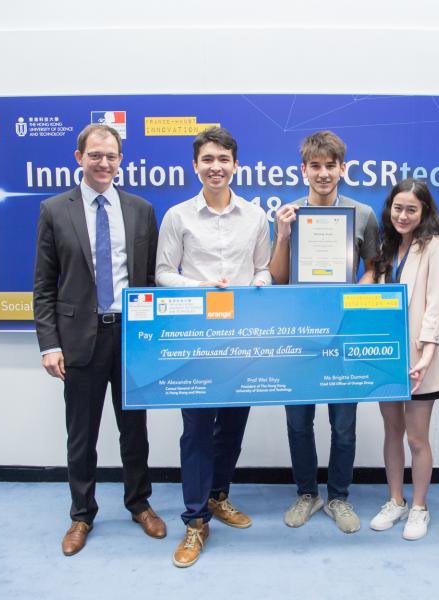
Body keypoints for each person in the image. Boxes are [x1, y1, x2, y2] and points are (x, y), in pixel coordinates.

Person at [33, 123, 165, 557]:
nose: (103, 163)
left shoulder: (141, 209)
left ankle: (139, 503)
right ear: (79, 158)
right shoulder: (55, 210)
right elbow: (44, 286)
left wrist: (153, 339)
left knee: (134, 430)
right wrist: (50, 344)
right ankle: (81, 514)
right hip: (79, 340)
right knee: (81, 433)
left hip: (130, 337)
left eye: (111, 156)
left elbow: (149, 280)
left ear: (120, 160)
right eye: (95, 155)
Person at [156, 126, 271, 567]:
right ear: (195, 165)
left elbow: (263, 269)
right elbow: (164, 273)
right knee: (198, 429)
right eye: (208, 160)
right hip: (196, 338)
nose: (216, 167)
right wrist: (201, 287)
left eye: (223, 159)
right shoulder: (178, 217)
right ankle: (195, 519)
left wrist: (253, 285)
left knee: (233, 426)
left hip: (241, 337)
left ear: (235, 165)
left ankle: (219, 496)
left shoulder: (255, 217)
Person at [270, 131, 379, 533]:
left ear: (342, 169)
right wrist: (282, 236)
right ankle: (305, 493)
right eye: (315, 166)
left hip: (342, 333)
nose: (323, 173)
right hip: (297, 332)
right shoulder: (287, 214)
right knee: (298, 421)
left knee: (343, 423)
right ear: (304, 170)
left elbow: (374, 267)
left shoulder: (363, 214)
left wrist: (357, 292)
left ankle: (339, 497)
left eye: (330, 166)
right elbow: (278, 278)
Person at [362, 178, 439, 541]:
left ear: (424, 211)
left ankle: (419, 506)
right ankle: (395, 500)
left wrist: (428, 352)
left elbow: (435, 302)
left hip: (420, 358)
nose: (403, 215)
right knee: (392, 432)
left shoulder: (437, 246)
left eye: (411, 209)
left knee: (417, 438)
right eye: (397, 208)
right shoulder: (386, 246)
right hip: (388, 356)